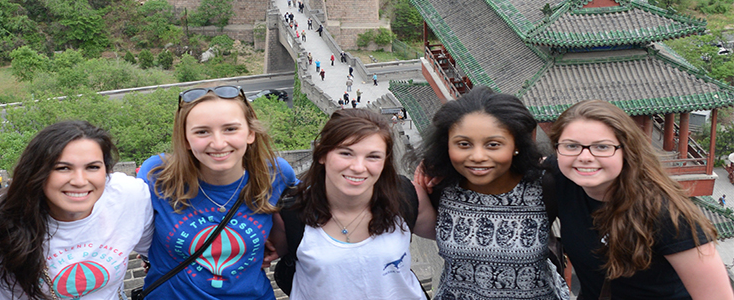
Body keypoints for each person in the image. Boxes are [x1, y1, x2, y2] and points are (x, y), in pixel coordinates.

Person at [545, 100, 732, 300]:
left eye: (602, 147)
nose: (585, 156)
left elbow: (717, 296)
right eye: (571, 146)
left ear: (626, 150)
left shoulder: (666, 213)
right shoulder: (560, 177)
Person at [137, 85, 297, 299]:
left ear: (250, 133)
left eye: (230, 129)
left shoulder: (274, 174)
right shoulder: (157, 175)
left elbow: (317, 209)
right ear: (185, 139)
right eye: (202, 131)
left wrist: (283, 243)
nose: (219, 143)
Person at [0, 121, 153, 299]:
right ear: (37, 172)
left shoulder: (130, 197)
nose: (79, 181)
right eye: (63, 168)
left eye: (93, 167)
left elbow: (155, 254)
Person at [416, 86, 569, 299]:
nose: (477, 156)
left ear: (516, 144)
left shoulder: (544, 186)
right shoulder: (441, 187)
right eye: (463, 144)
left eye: (493, 144)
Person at [273, 109, 434, 299]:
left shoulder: (406, 197)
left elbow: (456, 241)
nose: (358, 167)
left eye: (373, 156)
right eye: (346, 153)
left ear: (385, 162)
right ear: (322, 155)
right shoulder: (290, 212)